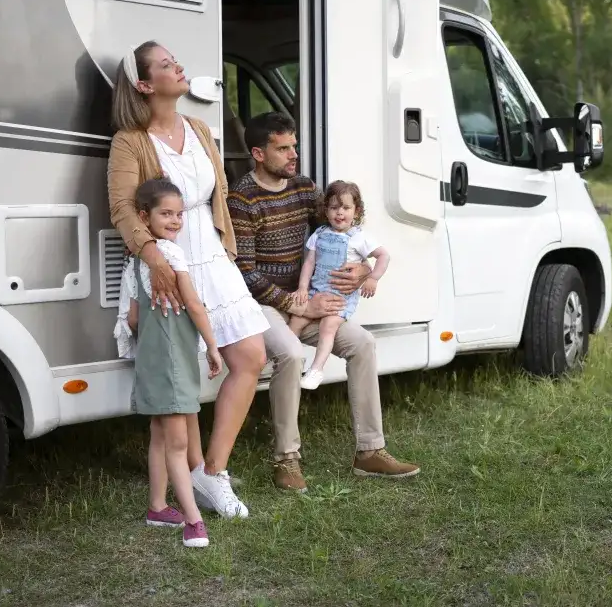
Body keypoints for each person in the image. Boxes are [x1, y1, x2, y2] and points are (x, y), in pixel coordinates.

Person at [107, 40, 269, 520]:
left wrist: (229, 250)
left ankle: (212, 472)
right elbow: (121, 208)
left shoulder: (199, 128)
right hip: (165, 260)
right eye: (165, 64)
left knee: (250, 355)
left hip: (211, 256)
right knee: (187, 370)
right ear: (143, 84)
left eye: (175, 60)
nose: (178, 67)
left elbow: (215, 198)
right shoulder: (130, 140)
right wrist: (156, 260)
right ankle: (194, 470)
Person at [227, 111, 420, 494]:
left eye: (294, 145)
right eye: (283, 148)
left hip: (308, 300)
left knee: (363, 343)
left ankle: (370, 451)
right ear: (258, 153)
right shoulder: (242, 198)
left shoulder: (303, 188)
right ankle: (287, 458)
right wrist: (298, 305)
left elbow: (339, 232)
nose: (293, 154)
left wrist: (365, 270)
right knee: (290, 355)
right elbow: (245, 273)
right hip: (264, 304)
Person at [124, 178, 221, 548]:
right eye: (166, 213)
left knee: (160, 435)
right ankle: (193, 522)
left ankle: (157, 507)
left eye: (179, 214)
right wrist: (212, 345)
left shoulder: (135, 261)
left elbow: (133, 319)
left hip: (151, 359)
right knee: (178, 443)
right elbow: (194, 305)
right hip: (172, 361)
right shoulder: (172, 255)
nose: (176, 220)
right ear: (144, 217)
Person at [290, 181, 390, 390]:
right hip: (317, 293)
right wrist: (302, 288)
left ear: (356, 211)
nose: (340, 213)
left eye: (346, 208)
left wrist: (373, 277)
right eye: (334, 208)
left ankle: (316, 369)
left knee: (328, 325)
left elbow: (384, 256)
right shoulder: (319, 235)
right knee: (297, 320)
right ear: (326, 210)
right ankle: (285, 359)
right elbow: (309, 263)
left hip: (339, 298)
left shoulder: (359, 238)